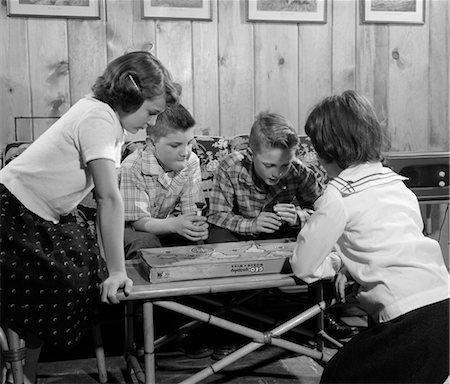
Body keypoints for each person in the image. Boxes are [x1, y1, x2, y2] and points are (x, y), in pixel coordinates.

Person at [0, 51, 180, 383]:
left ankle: (24, 371)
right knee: (70, 277)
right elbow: (108, 197)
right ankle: (18, 370)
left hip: (42, 214)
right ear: (129, 96)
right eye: (151, 113)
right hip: (13, 213)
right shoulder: (98, 119)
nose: (152, 123)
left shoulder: (108, 118)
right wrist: (116, 271)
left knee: (82, 268)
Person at [290, 90, 449, 383]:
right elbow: (383, 241)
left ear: (326, 149)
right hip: (443, 304)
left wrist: (337, 264)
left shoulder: (337, 196)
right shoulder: (397, 184)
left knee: (339, 374)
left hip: (407, 318)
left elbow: (303, 265)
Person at [206, 111, 321, 243]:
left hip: (281, 232)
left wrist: (298, 217)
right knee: (215, 233)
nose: (277, 173)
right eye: (269, 165)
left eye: (285, 165)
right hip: (239, 233)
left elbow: (323, 210)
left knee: (314, 231)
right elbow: (217, 215)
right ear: (251, 154)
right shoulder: (230, 167)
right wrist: (252, 225)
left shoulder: (298, 170)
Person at [120, 104, 208, 259]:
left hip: (167, 225)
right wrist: (174, 225)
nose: (185, 152)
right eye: (175, 145)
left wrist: (193, 226)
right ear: (151, 144)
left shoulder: (191, 161)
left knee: (197, 241)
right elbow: (137, 222)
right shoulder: (132, 166)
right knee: (145, 242)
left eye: (189, 143)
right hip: (131, 229)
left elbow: (191, 210)